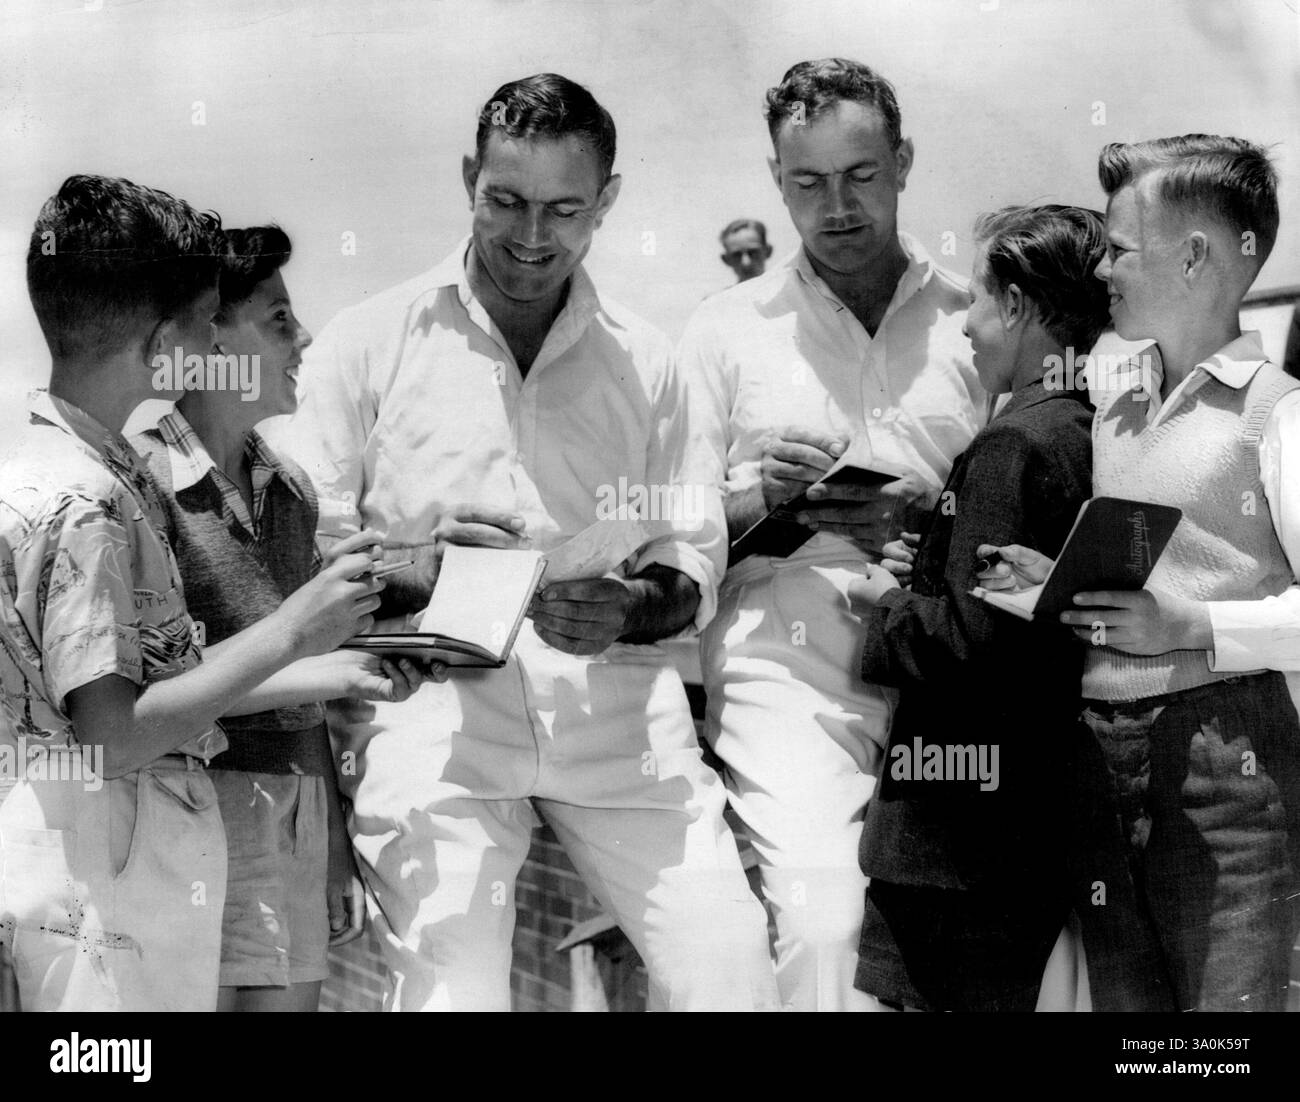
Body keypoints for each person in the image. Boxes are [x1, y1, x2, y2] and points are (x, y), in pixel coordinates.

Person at [277, 73, 779, 1012]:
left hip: (620, 715)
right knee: (452, 998)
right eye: (505, 201)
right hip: (433, 714)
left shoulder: (650, 359)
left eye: (564, 209)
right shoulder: (367, 342)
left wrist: (633, 605)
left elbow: (691, 555)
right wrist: (411, 566)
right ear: (469, 176)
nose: (532, 237)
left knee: (732, 972)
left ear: (609, 201)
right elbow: (299, 563)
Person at [0, 175, 383, 1012]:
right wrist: (292, 634)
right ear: (167, 335)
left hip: (94, 877)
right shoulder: (89, 500)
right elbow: (110, 737)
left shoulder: (68, 472)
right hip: (100, 892)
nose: (216, 341)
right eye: (211, 319)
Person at [678, 57, 984, 1011]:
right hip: (786, 664)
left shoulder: (979, 318)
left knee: (981, 937)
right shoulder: (722, 330)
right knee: (825, 923)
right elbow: (662, 527)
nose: (836, 206)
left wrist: (925, 515)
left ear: (903, 163)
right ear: (777, 181)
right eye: (807, 183)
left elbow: (1035, 498)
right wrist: (754, 500)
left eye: (860, 175)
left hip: (951, 662)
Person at [978, 135, 1300, 1012]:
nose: (1101, 270)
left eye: (1119, 248)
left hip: (1223, 764)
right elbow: (1148, 575)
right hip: (1101, 761)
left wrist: (1191, 627)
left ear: (1195, 256)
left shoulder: (1276, 413)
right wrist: (1055, 580)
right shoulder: (1117, 406)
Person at [131, 226, 438, 1011]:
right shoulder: (137, 485)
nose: (303, 339)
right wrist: (338, 666)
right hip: (181, 824)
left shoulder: (292, 489)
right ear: (207, 338)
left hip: (292, 825)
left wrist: (330, 842)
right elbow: (146, 699)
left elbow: (303, 701)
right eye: (278, 320)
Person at [846, 205, 1108, 1011]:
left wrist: (882, 602)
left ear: (1023, 307)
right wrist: (936, 556)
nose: (964, 324)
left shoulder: (1009, 445)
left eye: (980, 300)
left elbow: (969, 642)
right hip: (1021, 839)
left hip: (944, 848)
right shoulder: (1083, 430)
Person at [719, 218, 773, 283]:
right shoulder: (726, 293)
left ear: (768, 251)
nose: (746, 263)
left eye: (753, 253)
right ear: (726, 260)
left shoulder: (785, 290)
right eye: (737, 256)